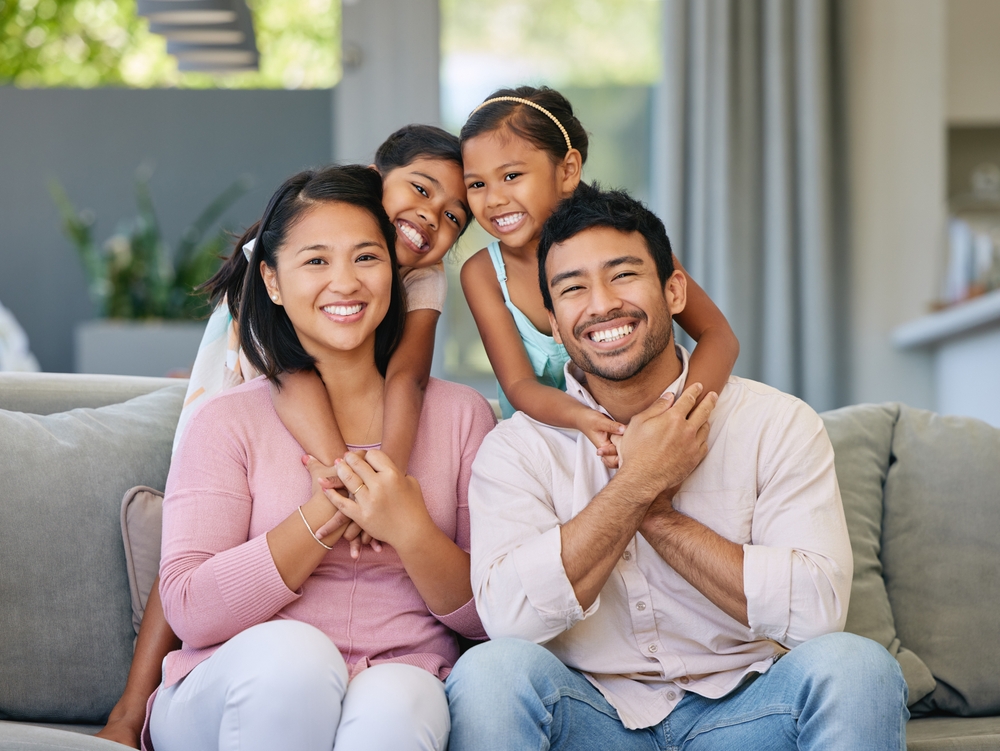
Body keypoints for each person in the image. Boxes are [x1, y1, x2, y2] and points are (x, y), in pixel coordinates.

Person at [446, 183, 908, 750]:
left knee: (859, 666)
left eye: (623, 275)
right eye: (573, 289)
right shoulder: (517, 449)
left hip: (751, 709)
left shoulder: (776, 423)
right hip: (591, 716)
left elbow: (816, 613)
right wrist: (636, 484)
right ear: (552, 317)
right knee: (489, 674)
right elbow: (510, 620)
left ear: (673, 289)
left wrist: (654, 509)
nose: (601, 304)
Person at [96, 126, 472, 748]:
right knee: (283, 650)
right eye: (318, 259)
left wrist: (393, 500)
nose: (429, 218)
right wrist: (338, 491)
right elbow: (290, 373)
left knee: (402, 701)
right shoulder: (236, 398)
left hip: (394, 670)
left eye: (453, 214)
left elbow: (405, 379)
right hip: (257, 375)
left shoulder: (425, 287)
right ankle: (132, 708)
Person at [458, 86, 739, 466]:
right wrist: (587, 420)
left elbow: (718, 335)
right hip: (547, 454)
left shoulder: (628, 243)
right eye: (477, 184)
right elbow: (519, 385)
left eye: (511, 175)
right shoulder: (484, 274)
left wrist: (672, 418)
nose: (492, 199)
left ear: (568, 169)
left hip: (650, 432)